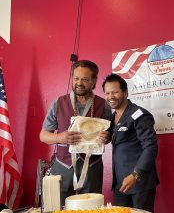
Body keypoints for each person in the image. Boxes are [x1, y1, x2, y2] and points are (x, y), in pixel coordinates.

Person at [40, 60, 111, 205]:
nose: (79, 83)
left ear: (94, 81)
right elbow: (43, 135)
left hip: (92, 167)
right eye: (76, 78)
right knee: (57, 207)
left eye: (85, 79)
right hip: (63, 166)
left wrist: (107, 137)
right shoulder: (58, 103)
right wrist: (60, 137)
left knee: (90, 208)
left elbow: (109, 137)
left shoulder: (104, 105)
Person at [102, 73, 159, 212]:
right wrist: (106, 137)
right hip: (120, 183)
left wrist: (136, 174)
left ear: (125, 92)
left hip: (139, 182)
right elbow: (119, 138)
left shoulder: (140, 114)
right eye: (107, 93)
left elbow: (150, 147)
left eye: (115, 92)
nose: (111, 96)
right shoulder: (112, 116)